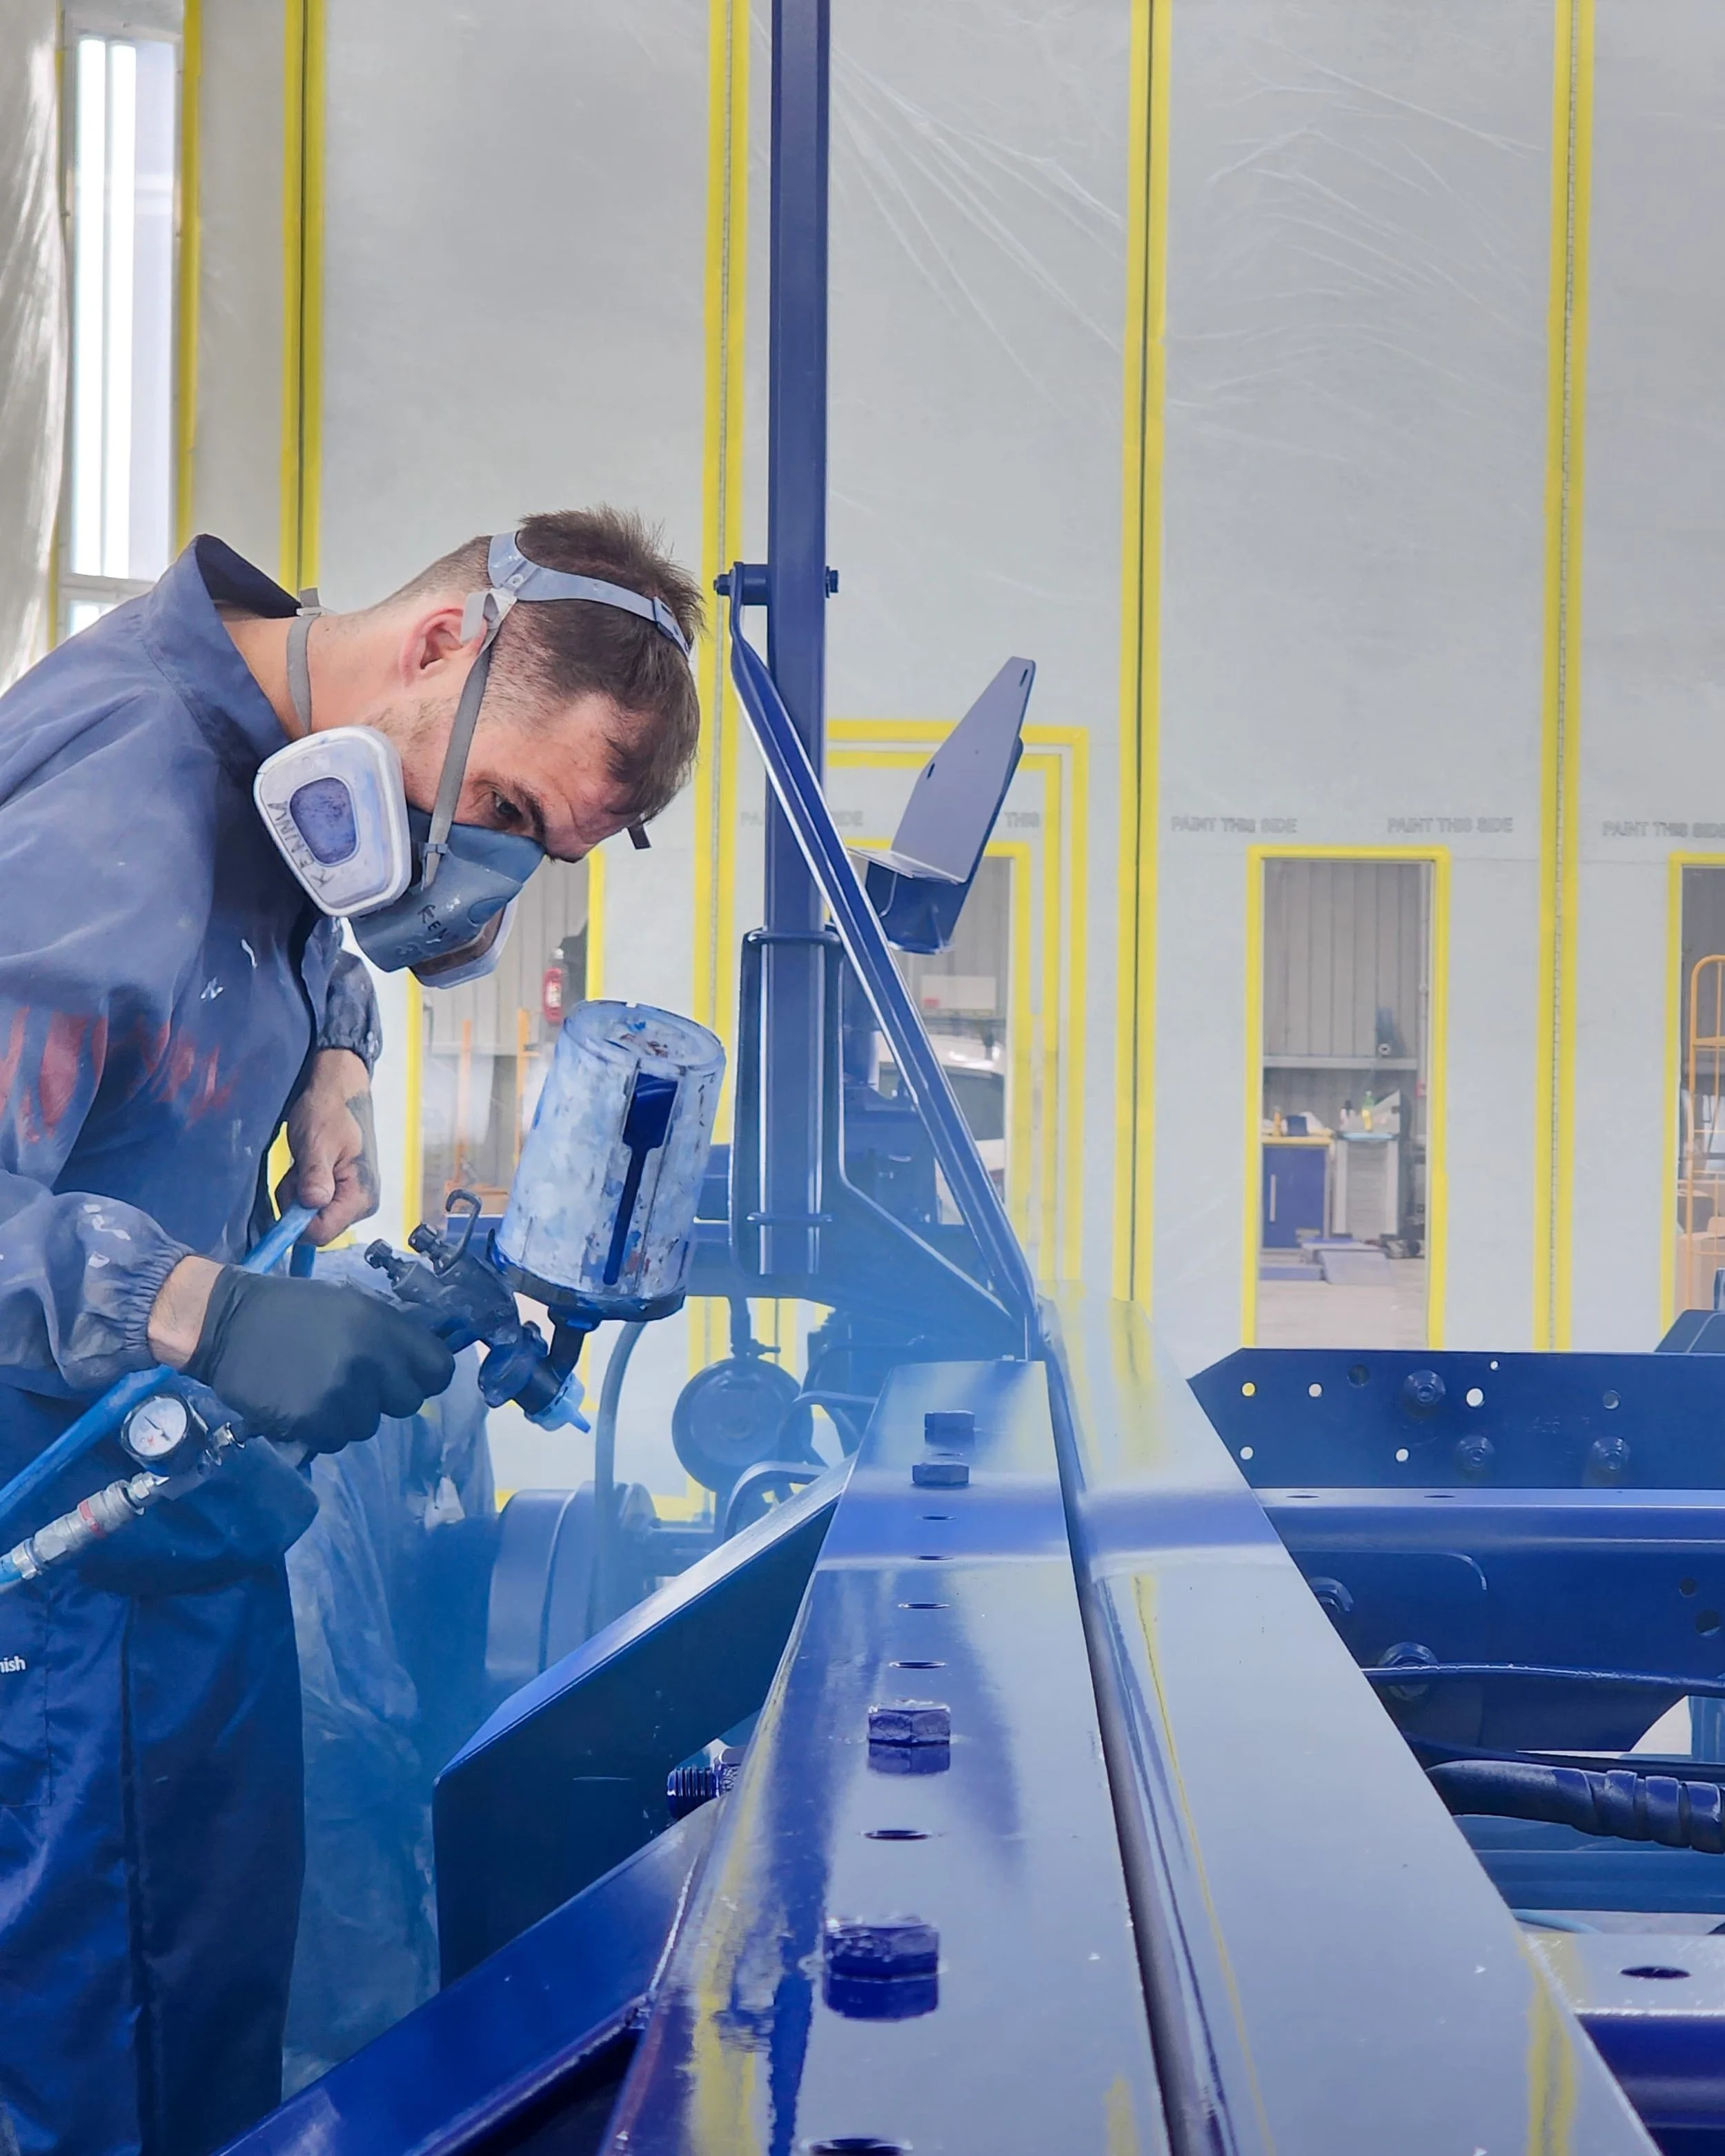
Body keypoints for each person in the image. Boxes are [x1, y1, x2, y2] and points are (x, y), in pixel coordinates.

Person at [0, 509, 703, 2156]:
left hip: (166, 1558)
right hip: (55, 1590)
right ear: (444, 645)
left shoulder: (289, 772)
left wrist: (334, 1048)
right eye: (504, 810)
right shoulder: (119, 788)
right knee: (111, 2093)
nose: (485, 869)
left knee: (204, 2057)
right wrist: (201, 1307)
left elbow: (309, 905)